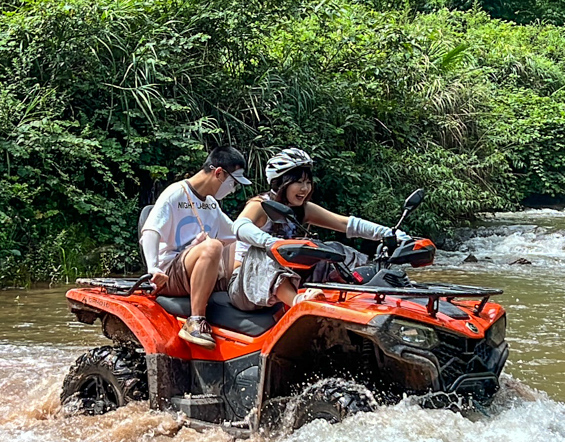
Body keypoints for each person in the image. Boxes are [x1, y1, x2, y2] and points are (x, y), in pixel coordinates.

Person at [229, 147, 400, 311]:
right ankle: (298, 302)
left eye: (308, 182)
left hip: (292, 277)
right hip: (246, 286)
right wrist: (273, 243)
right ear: (281, 183)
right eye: (298, 182)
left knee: (333, 249)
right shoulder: (260, 205)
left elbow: (345, 224)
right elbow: (239, 226)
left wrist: (390, 234)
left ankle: (366, 295)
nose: (305, 188)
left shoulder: (303, 209)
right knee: (264, 252)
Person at [140, 145, 251, 348]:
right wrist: (153, 268)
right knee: (213, 247)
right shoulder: (175, 194)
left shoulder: (210, 204)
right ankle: (196, 320)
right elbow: (150, 231)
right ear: (219, 173)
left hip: (198, 268)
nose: (233, 190)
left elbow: (235, 233)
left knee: (248, 246)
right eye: (233, 184)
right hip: (171, 271)